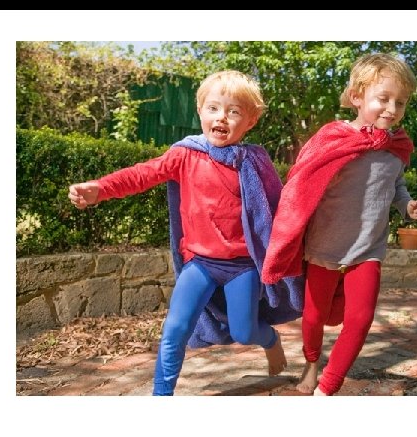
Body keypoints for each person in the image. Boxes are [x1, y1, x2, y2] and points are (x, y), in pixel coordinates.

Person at [68, 70, 303, 396]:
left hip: (242, 267)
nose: (221, 117)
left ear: (250, 121)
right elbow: (142, 175)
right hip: (201, 263)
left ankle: (270, 339)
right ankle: (161, 396)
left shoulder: (253, 162)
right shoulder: (185, 154)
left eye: (234, 111)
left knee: (244, 331)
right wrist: (100, 189)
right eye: (213, 108)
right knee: (175, 329)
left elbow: (278, 209)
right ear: (200, 111)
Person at [262, 53, 417, 396]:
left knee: (360, 318)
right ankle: (311, 364)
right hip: (324, 246)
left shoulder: (395, 149)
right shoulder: (333, 139)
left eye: (400, 102)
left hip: (368, 248)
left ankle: (328, 386)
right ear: (356, 97)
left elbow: (396, 186)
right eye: (383, 99)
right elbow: (304, 182)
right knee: (314, 317)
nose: (392, 109)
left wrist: (408, 205)